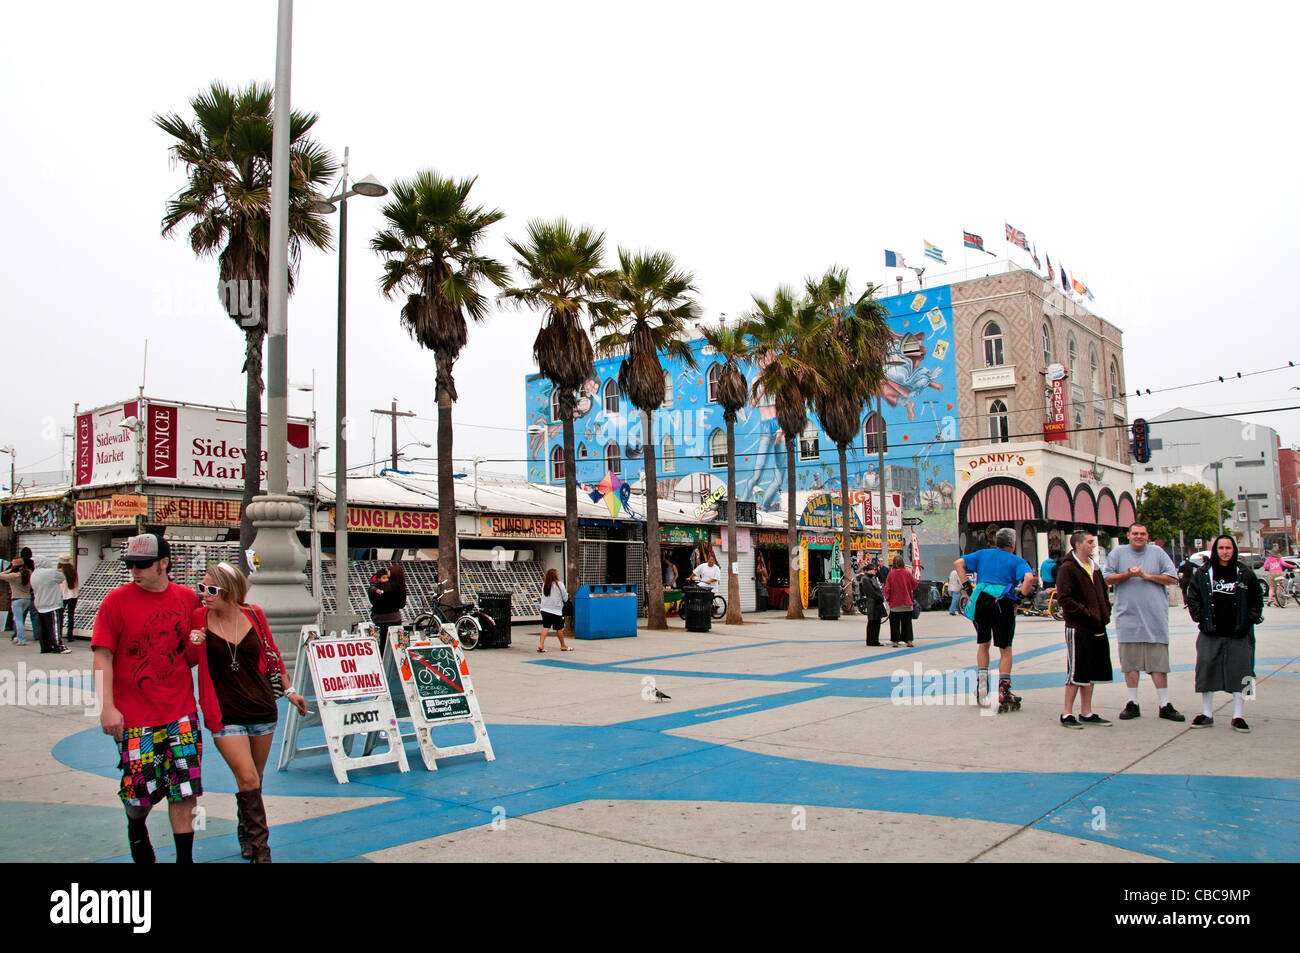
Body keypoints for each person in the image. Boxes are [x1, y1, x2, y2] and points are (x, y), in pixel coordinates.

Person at [90, 533, 203, 863]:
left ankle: (185, 858)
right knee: (140, 796)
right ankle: (136, 828)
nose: (135, 571)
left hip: (181, 711)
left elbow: (191, 655)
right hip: (135, 716)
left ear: (164, 563)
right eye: (131, 565)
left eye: (143, 565)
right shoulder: (115, 601)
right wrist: (107, 706)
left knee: (185, 790)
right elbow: (102, 656)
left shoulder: (187, 599)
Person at [190, 561, 306, 862]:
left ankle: (246, 832)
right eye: (201, 588)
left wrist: (289, 691)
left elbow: (272, 652)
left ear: (230, 591)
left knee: (254, 779)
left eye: (211, 589)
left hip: (261, 708)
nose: (205, 594)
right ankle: (261, 851)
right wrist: (194, 641)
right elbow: (189, 658)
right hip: (224, 713)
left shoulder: (254, 614)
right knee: (248, 778)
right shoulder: (198, 618)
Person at [1103, 524, 1184, 721]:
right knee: (1130, 664)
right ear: (1128, 535)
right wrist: (1128, 575)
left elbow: (1172, 578)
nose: (1139, 537)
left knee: (1159, 664)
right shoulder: (1118, 553)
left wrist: (1145, 575)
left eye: (1143, 534)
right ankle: (1133, 703)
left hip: (1155, 619)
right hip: (1128, 618)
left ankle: (1164, 704)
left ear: (1148, 536)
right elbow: (1106, 578)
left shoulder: (1157, 552)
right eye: (1135, 533)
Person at [953, 527, 1035, 712]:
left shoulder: (982, 554)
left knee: (984, 643)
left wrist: (968, 587)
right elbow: (1029, 578)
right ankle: (1004, 691)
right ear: (1012, 544)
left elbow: (958, 563)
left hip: (981, 600)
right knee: (1005, 648)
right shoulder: (1016, 560)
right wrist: (1019, 600)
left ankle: (982, 689)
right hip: (1002, 602)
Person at [1186, 534, 1261, 732]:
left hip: (1238, 633)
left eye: (1228, 548)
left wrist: (1249, 620)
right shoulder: (1203, 573)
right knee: (1206, 670)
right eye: (1221, 548)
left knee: (1243, 674)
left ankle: (1239, 716)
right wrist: (1200, 618)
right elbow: (1193, 597)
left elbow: (1257, 599)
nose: (1225, 552)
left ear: (1234, 550)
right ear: (1215, 550)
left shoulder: (1244, 573)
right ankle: (1207, 713)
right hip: (1211, 632)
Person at [1056, 531, 1114, 728]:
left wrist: (1105, 611)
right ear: (1078, 545)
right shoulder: (1068, 568)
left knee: (1090, 671)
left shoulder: (1093, 567)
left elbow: (1103, 592)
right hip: (1078, 626)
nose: (1093, 546)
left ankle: (1086, 711)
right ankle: (1066, 713)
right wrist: (1086, 612)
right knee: (1076, 671)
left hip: (1097, 625)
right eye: (1090, 542)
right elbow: (1064, 598)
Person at [30, 555, 69, 654]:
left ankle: (45, 647)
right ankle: (58, 646)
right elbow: (62, 578)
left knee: (43, 627)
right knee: (54, 626)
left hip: (40, 604)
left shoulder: (34, 574)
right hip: (52, 603)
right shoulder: (51, 572)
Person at [366, 564, 407, 654]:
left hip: (379, 619)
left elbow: (372, 600)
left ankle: (381, 659)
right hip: (395, 618)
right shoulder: (401, 587)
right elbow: (402, 605)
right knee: (398, 644)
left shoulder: (379, 586)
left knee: (381, 644)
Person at [883, 554, 917, 647]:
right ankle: (909, 641)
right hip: (907, 602)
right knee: (907, 623)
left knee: (895, 623)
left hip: (895, 603)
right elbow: (914, 584)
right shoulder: (907, 573)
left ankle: (895, 641)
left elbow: (887, 589)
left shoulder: (891, 574)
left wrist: (888, 598)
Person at [537, 568, 571, 652]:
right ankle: (563, 646)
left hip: (544, 609)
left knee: (546, 627)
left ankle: (541, 645)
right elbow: (565, 597)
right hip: (556, 610)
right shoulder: (559, 584)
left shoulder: (545, 584)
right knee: (559, 629)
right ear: (555, 575)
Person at [1, 556, 33, 645]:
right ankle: (18, 637)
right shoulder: (28, 573)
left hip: (17, 599)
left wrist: (10, 569)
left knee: (18, 620)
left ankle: (21, 639)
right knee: (19, 618)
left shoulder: (13, 576)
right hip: (27, 599)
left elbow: (1, 575)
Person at [861, 562, 886, 646]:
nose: (875, 571)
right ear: (869, 570)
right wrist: (879, 598)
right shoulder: (865, 579)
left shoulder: (873, 578)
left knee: (877, 622)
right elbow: (871, 592)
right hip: (873, 602)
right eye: (874, 570)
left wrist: (878, 573)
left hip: (877, 602)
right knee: (872, 622)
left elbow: (882, 580)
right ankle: (871, 640)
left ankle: (875, 639)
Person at [58, 558, 79, 646]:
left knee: (60, 615)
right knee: (71, 615)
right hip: (73, 595)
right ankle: (70, 635)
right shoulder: (74, 572)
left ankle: (59, 634)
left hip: (63, 596)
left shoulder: (59, 572)